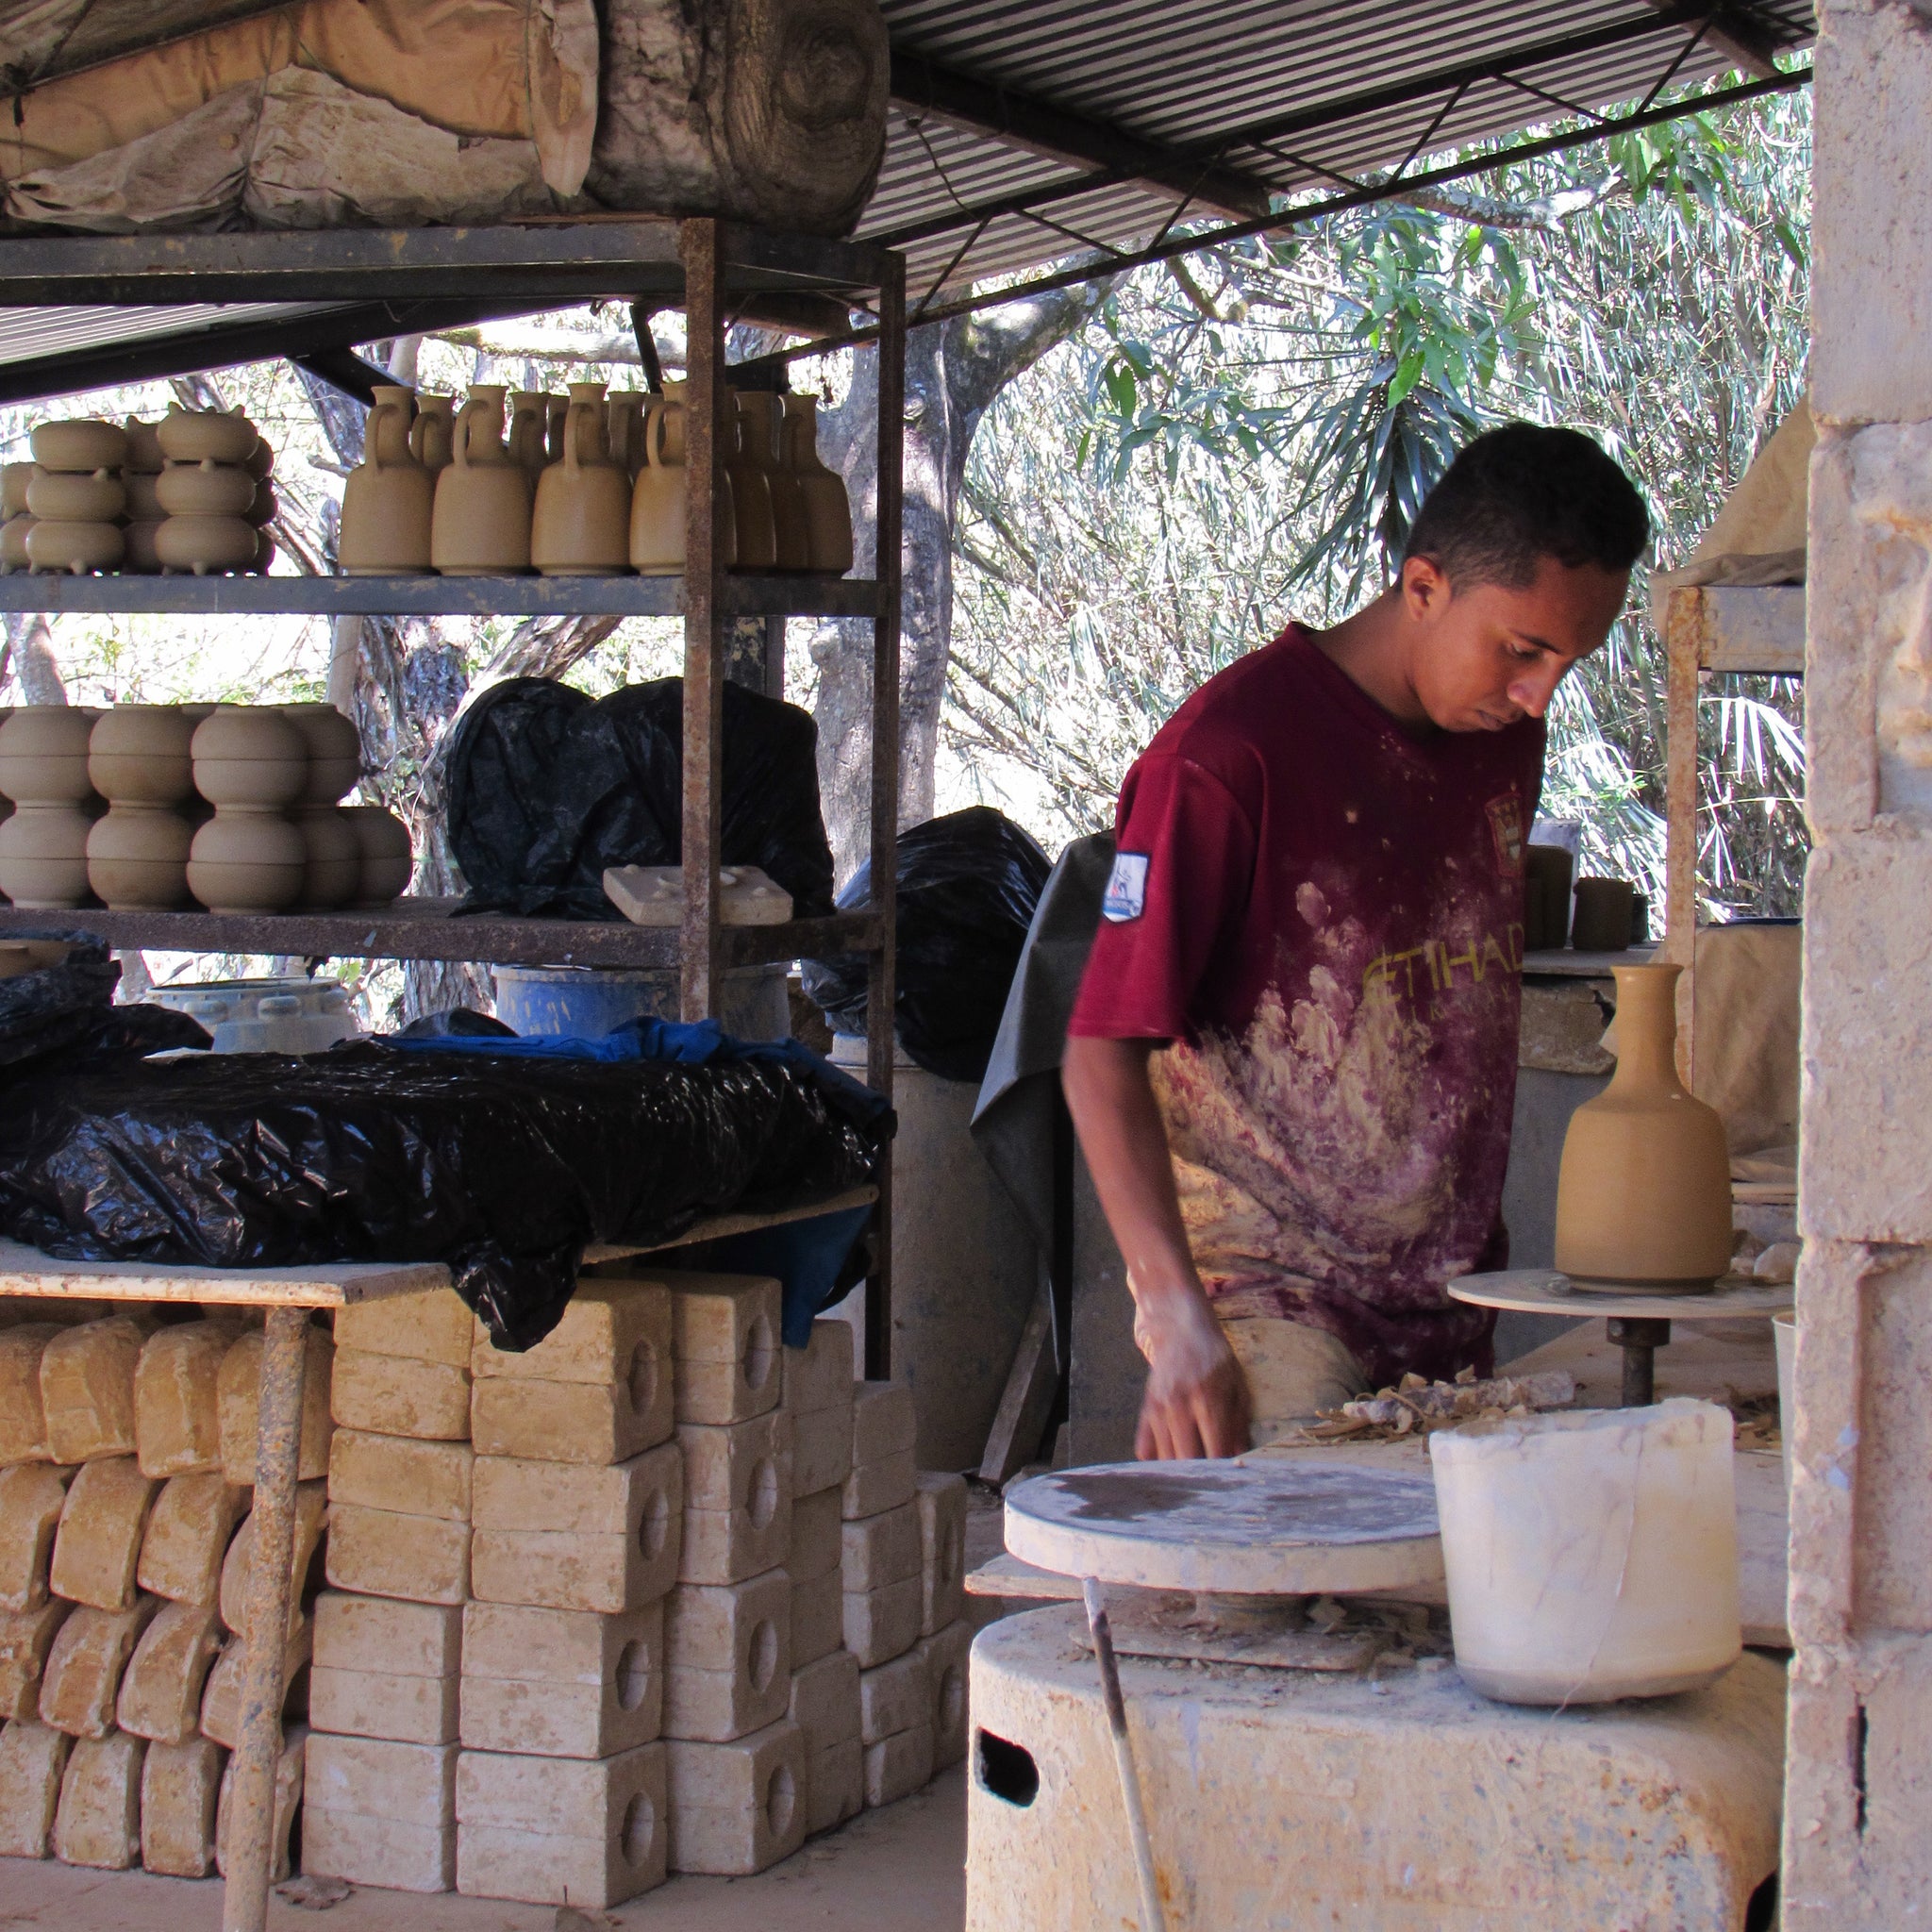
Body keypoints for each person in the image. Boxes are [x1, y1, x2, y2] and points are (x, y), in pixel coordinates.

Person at [1061, 423, 1650, 1459]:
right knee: (1304, 1553)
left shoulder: (1500, 738)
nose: (1538, 695)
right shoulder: (1223, 757)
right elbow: (1098, 1052)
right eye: (1522, 650)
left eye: (1568, 661)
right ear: (1423, 586)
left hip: (1451, 1302)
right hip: (1273, 1303)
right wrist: (1173, 1315)